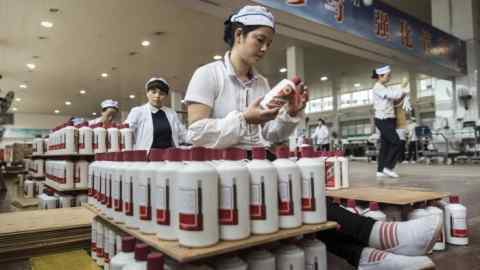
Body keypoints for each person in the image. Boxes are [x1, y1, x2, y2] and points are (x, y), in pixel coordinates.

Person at [184, 6, 440, 270]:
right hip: (223, 166)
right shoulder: (208, 75)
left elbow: (269, 136)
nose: (264, 49)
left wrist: (290, 114)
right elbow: (195, 132)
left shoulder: (261, 82)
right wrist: (244, 119)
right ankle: (377, 238)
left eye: (269, 44)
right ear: (239, 35)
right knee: (303, 198)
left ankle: (369, 257)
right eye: (259, 40)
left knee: (306, 199)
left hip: (259, 159)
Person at [125, 77, 188, 150]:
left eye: (161, 93)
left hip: (169, 155)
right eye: (153, 92)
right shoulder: (138, 111)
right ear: (147, 93)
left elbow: (183, 134)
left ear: (166, 96)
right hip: (147, 156)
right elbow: (126, 132)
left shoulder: (172, 113)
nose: (157, 96)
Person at [372, 65, 406, 178]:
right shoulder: (377, 87)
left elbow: (396, 99)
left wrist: (403, 95)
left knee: (385, 146)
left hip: (390, 119)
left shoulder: (386, 87)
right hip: (383, 120)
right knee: (396, 142)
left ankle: (380, 170)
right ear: (380, 76)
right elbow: (394, 95)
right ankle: (388, 167)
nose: (389, 77)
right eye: (388, 75)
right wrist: (402, 88)